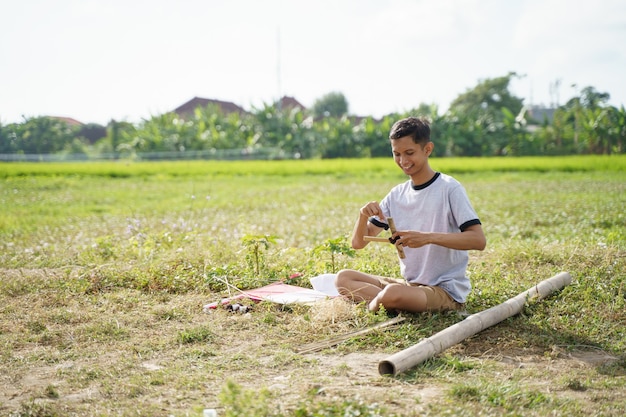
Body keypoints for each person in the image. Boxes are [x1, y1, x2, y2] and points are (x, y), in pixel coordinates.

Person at [335, 116, 486, 313]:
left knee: (392, 294)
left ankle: (377, 307)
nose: (403, 161)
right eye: (396, 154)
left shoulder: (449, 188)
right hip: (409, 286)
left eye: (409, 153)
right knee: (343, 278)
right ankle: (387, 303)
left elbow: (478, 240)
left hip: (444, 291)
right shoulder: (396, 194)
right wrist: (362, 215)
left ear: (427, 149)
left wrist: (427, 238)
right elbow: (358, 243)